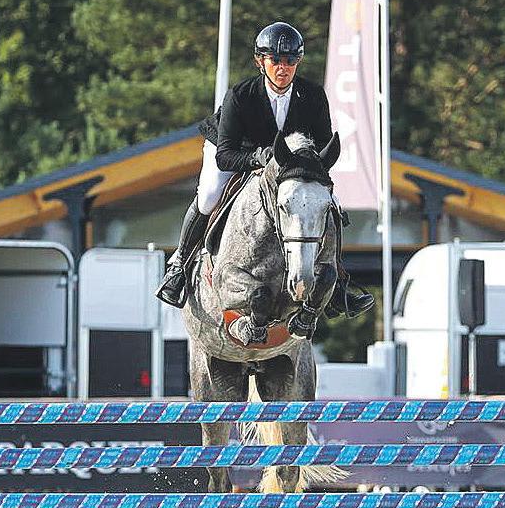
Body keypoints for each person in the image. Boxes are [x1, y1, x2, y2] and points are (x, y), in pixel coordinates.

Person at [156, 21, 374, 319]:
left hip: (287, 163)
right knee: (209, 195)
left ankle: (338, 286)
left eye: (290, 61)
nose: (283, 68)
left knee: (329, 203)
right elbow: (225, 156)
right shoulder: (240, 95)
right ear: (260, 61)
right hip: (236, 151)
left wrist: (312, 166)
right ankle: (179, 266)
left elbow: (322, 148)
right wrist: (258, 158)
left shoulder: (312, 95)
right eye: (275, 60)